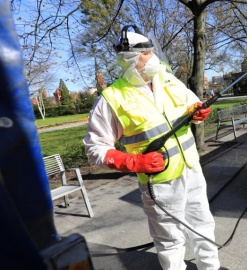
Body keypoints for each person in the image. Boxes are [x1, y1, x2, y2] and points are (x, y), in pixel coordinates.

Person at [83, 25, 221, 270]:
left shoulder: (168, 79)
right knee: (170, 241)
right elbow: (95, 148)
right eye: (147, 53)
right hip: (160, 183)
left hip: (192, 169)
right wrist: (132, 162)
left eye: (151, 51)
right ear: (131, 59)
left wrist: (199, 112)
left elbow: (193, 104)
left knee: (203, 226)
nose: (153, 57)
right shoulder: (113, 98)